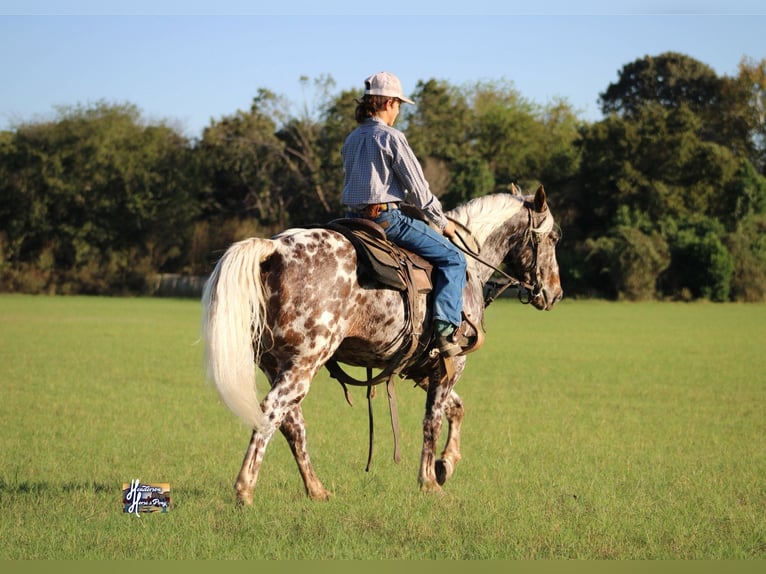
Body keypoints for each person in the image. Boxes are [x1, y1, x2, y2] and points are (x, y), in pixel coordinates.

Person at [341, 71, 467, 357]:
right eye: (398, 105)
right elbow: (419, 192)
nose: (398, 111)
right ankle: (446, 331)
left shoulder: (351, 139)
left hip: (351, 221)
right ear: (388, 103)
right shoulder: (392, 137)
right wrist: (442, 222)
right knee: (454, 258)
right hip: (386, 220)